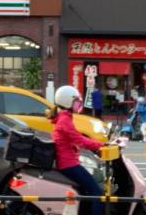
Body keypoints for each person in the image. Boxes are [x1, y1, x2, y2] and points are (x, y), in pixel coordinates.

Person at [50, 85, 105, 215]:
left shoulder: (65, 117)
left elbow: (77, 139)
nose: (79, 103)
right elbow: (80, 140)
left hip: (69, 162)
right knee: (97, 193)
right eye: (76, 100)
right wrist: (102, 145)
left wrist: (98, 145)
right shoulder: (65, 120)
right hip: (68, 164)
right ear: (67, 102)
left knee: (87, 189)